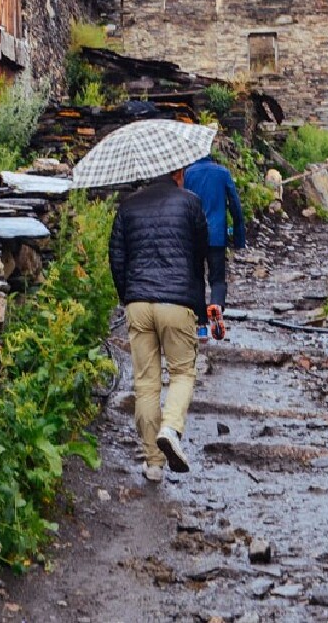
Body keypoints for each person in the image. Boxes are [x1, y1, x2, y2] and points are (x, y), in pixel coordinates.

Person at [108, 167, 208, 482]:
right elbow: (200, 253)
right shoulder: (190, 202)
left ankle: (153, 463)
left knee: (146, 382)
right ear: (177, 171)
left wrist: (128, 297)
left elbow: (117, 258)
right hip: (177, 302)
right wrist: (200, 305)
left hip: (138, 303)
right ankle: (171, 427)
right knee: (181, 373)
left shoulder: (128, 206)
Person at [184, 153, 246, 326]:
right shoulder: (222, 173)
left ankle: (201, 323)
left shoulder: (188, 174)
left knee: (197, 278)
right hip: (217, 235)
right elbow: (235, 204)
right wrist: (239, 237)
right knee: (217, 278)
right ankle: (216, 305)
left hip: (194, 235)